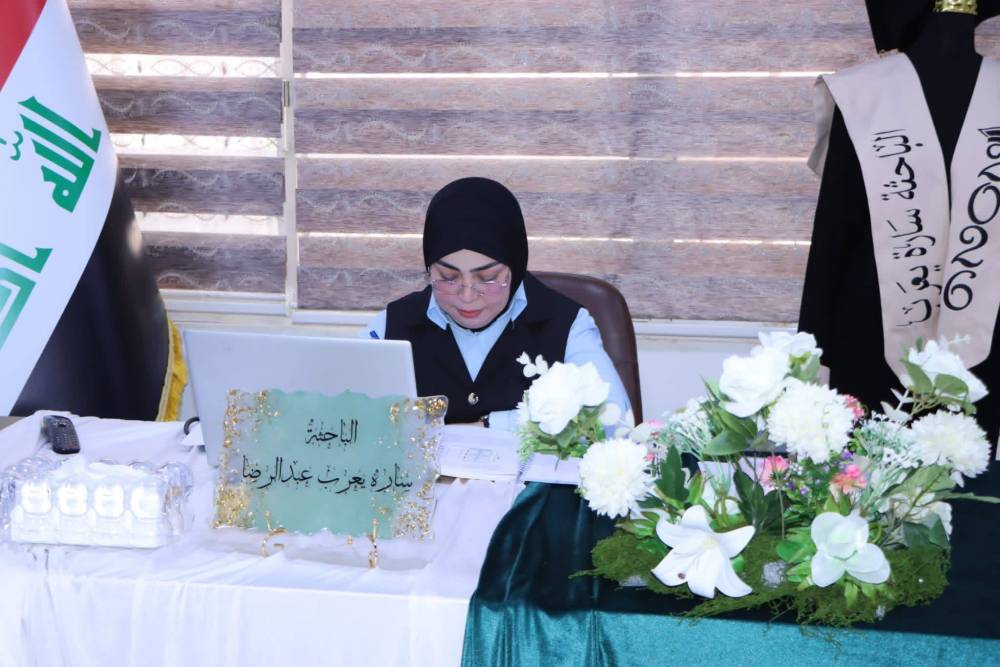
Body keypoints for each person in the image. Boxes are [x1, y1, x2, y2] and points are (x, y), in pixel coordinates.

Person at [364, 176, 630, 429]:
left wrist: (492, 425)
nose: (467, 296)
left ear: (515, 267)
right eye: (448, 277)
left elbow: (614, 419)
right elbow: (348, 413)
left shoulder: (567, 325)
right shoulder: (390, 326)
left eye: (488, 278)